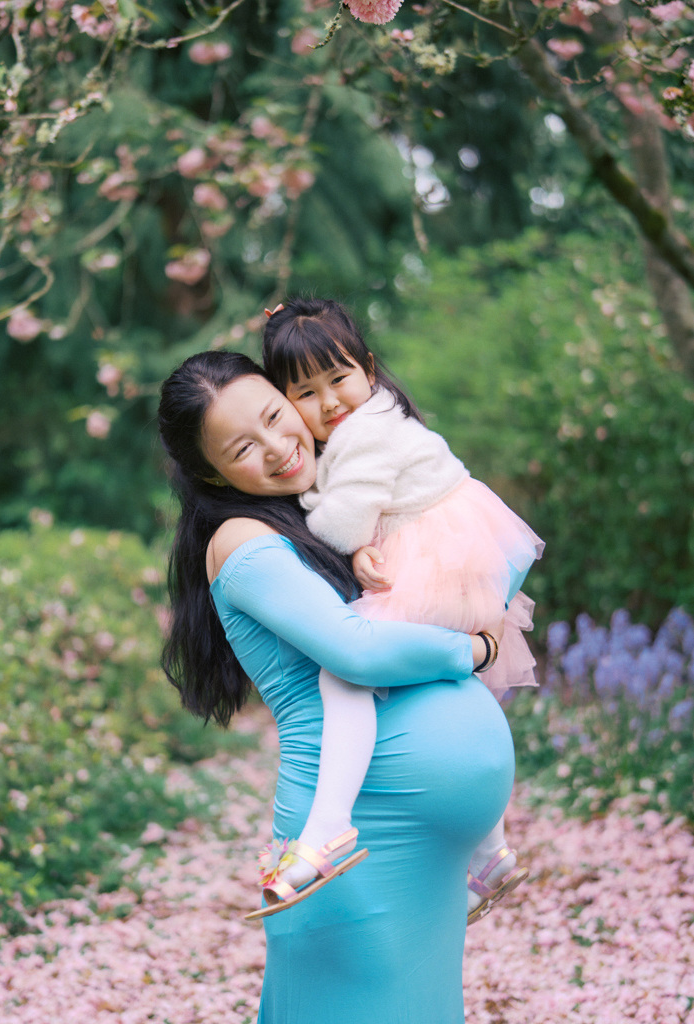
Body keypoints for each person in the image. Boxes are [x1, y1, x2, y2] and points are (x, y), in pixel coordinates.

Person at [158, 351, 515, 1023]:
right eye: (242, 446)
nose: (276, 445)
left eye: (273, 415)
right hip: (357, 842)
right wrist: (474, 650)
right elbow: (354, 650)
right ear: (209, 472)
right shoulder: (240, 539)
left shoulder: (323, 511)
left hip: (418, 847)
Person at [262, 297, 544, 924]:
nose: (330, 402)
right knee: (436, 690)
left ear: (366, 368)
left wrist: (312, 511)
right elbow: (356, 518)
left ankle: (330, 826)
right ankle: (490, 848)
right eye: (307, 393)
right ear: (288, 402)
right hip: (442, 547)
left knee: (346, 671)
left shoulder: (369, 431)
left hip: (442, 556)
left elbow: (338, 520)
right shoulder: (365, 424)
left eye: (338, 379)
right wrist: (362, 541)